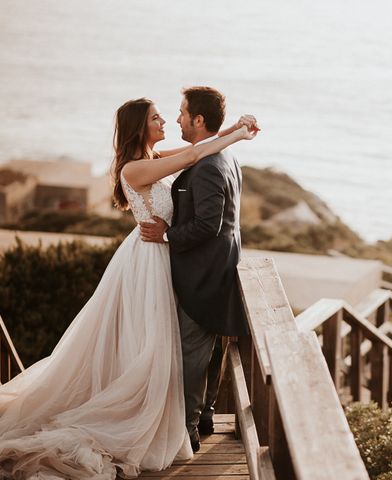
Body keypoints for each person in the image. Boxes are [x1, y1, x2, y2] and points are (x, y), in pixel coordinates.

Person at [0, 97, 258, 479]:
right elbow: (192, 157)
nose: (166, 120)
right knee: (151, 342)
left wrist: (236, 128)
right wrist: (237, 134)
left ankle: (171, 415)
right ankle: (151, 416)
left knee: (157, 343)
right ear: (141, 126)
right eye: (157, 117)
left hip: (162, 253)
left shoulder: (153, 156)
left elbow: (199, 146)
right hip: (149, 258)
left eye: (170, 115)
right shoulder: (135, 168)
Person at [139, 86, 249, 453]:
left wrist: (168, 235)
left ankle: (186, 433)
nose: (177, 118)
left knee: (191, 357)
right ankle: (204, 415)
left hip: (202, 277)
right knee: (207, 352)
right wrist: (235, 130)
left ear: (198, 120)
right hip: (216, 271)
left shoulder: (207, 168)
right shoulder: (222, 156)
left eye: (182, 112)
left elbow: (208, 226)